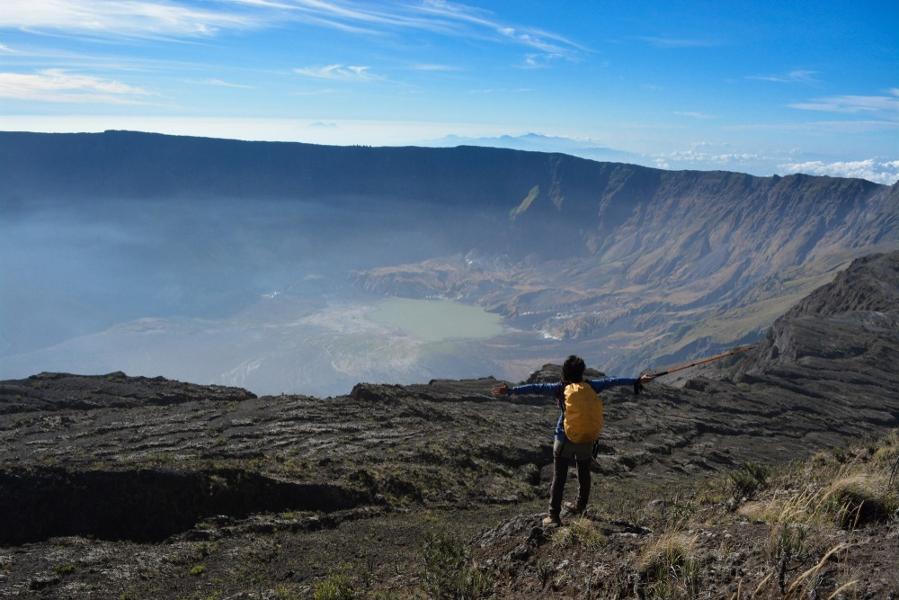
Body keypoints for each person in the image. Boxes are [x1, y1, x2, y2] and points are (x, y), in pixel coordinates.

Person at [493, 355, 654, 527]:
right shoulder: (592, 386)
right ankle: (580, 506)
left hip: (564, 438)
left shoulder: (560, 388)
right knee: (584, 473)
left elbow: (535, 387)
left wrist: (510, 391)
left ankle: (553, 516)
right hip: (586, 439)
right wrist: (637, 380)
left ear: (565, 372)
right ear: (582, 371)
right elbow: (613, 381)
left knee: (559, 477)